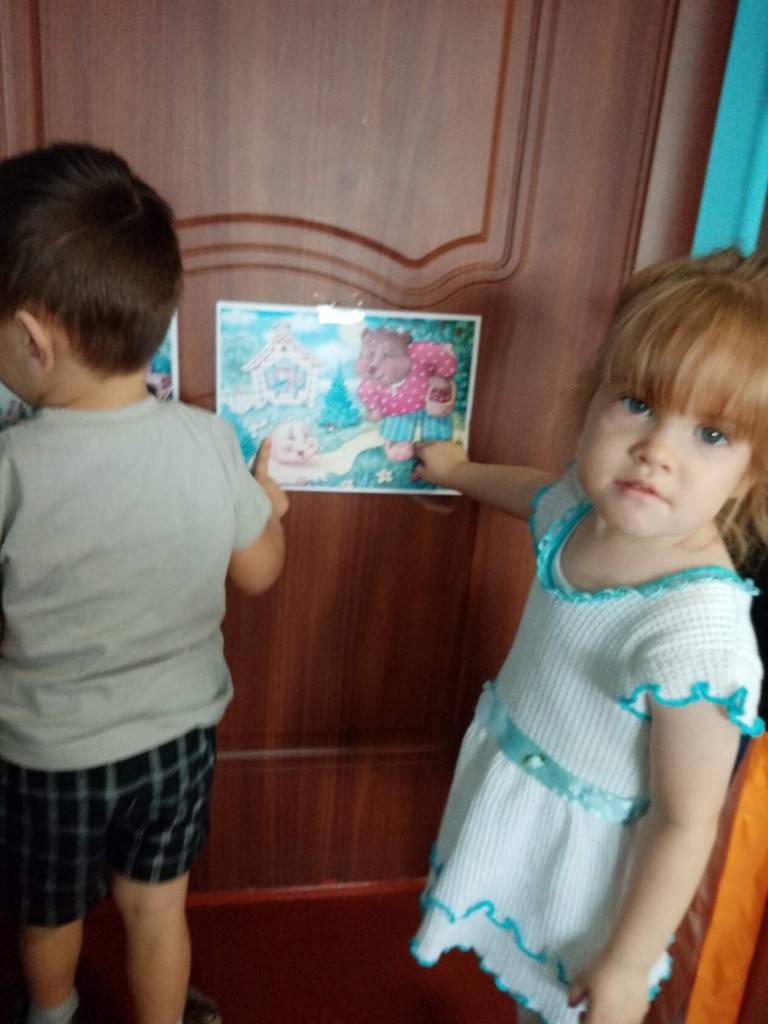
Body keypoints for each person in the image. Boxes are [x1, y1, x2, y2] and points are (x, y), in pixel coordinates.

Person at [410, 247, 768, 1024]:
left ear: (749, 474)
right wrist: (461, 473)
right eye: (637, 402)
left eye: (711, 434)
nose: (657, 450)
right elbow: (535, 494)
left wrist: (629, 964)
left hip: (593, 879)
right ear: (591, 397)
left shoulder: (697, 635)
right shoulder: (580, 506)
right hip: (525, 817)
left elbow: (685, 820)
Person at [0, 143, 288, 1024]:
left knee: (50, 913)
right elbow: (260, 570)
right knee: (157, 907)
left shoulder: (10, 467)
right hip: (176, 743)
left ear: (32, 341)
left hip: (48, 755)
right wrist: (268, 504)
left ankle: (52, 1015)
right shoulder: (208, 440)